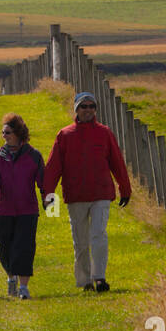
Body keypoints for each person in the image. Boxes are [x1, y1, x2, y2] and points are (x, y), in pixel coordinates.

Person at [43, 92, 132, 292]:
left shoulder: (105, 133)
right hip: (76, 195)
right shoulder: (64, 135)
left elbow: (117, 162)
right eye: (84, 106)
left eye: (92, 106)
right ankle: (85, 281)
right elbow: (53, 167)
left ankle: (100, 277)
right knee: (81, 241)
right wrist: (48, 193)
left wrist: (125, 188)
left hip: (101, 193)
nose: (88, 110)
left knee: (98, 235)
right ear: (76, 109)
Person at [0, 113, 45, 299]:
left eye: (8, 132)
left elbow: (44, 181)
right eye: (3, 132)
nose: (4, 136)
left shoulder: (33, 155)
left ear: (18, 133)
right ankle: (11, 277)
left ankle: (24, 288)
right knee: (5, 246)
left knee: (25, 247)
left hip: (27, 210)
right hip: (3, 209)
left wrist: (47, 198)